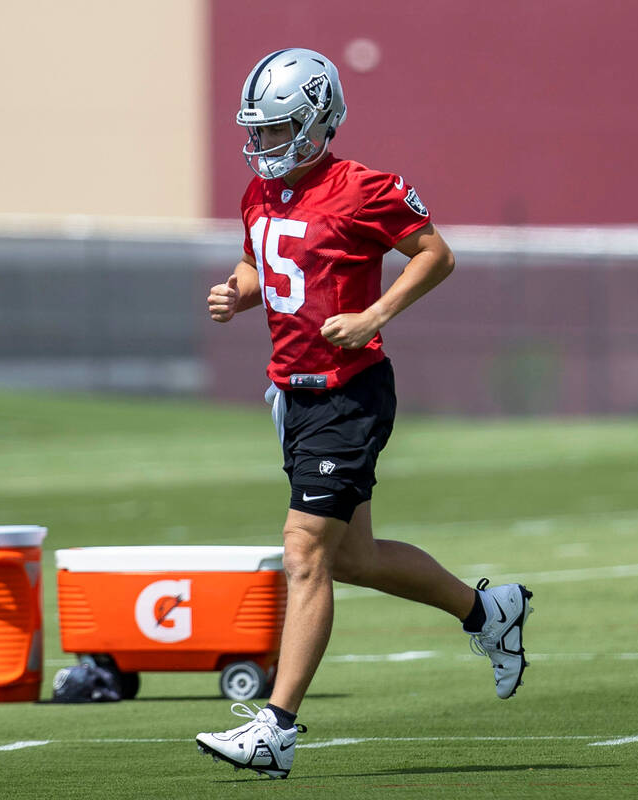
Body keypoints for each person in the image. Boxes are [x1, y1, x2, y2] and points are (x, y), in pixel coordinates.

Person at [194, 47, 533, 780]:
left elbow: (434, 255)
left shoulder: (362, 188)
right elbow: (266, 265)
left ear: (319, 122)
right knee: (354, 558)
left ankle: (276, 728)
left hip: (349, 391)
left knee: (305, 550)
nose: (265, 144)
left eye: (280, 129)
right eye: (261, 130)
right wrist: (236, 292)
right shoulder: (260, 191)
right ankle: (489, 613)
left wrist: (375, 310)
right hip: (292, 393)